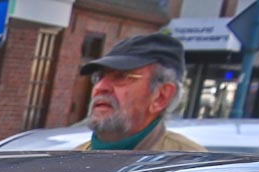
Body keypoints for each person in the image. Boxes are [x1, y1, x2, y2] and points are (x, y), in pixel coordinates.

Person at [73, 32, 203, 153]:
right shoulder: (72, 158)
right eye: (99, 77)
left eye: (121, 77)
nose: (100, 87)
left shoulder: (190, 162)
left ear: (161, 97)